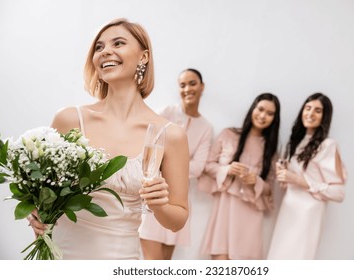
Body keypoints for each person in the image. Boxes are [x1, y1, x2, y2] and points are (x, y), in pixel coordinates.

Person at [27, 18, 189, 260]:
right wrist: (34, 211)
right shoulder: (69, 119)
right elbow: (39, 191)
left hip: (120, 260)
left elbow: (177, 220)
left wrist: (159, 205)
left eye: (119, 43)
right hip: (60, 255)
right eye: (99, 47)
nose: (106, 52)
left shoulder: (170, 134)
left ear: (143, 56)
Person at [139, 68, 214, 260]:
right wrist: (179, 164)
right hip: (155, 193)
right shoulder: (165, 113)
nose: (187, 88)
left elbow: (198, 168)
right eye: (182, 85)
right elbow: (145, 148)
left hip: (178, 200)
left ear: (202, 86)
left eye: (192, 83)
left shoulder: (206, 127)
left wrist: (167, 162)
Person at [198, 93, 280, 260]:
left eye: (270, 113)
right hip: (225, 210)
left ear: (274, 119)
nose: (263, 116)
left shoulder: (271, 151)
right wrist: (227, 169)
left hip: (250, 216)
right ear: (253, 109)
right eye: (261, 109)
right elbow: (207, 165)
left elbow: (270, 188)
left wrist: (256, 181)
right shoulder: (228, 134)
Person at [267, 93, 347, 260]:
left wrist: (299, 180)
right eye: (308, 108)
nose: (310, 114)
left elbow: (339, 193)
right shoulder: (294, 143)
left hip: (308, 215)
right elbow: (288, 184)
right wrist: (283, 174)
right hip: (288, 210)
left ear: (324, 117)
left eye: (318, 111)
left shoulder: (328, 145)